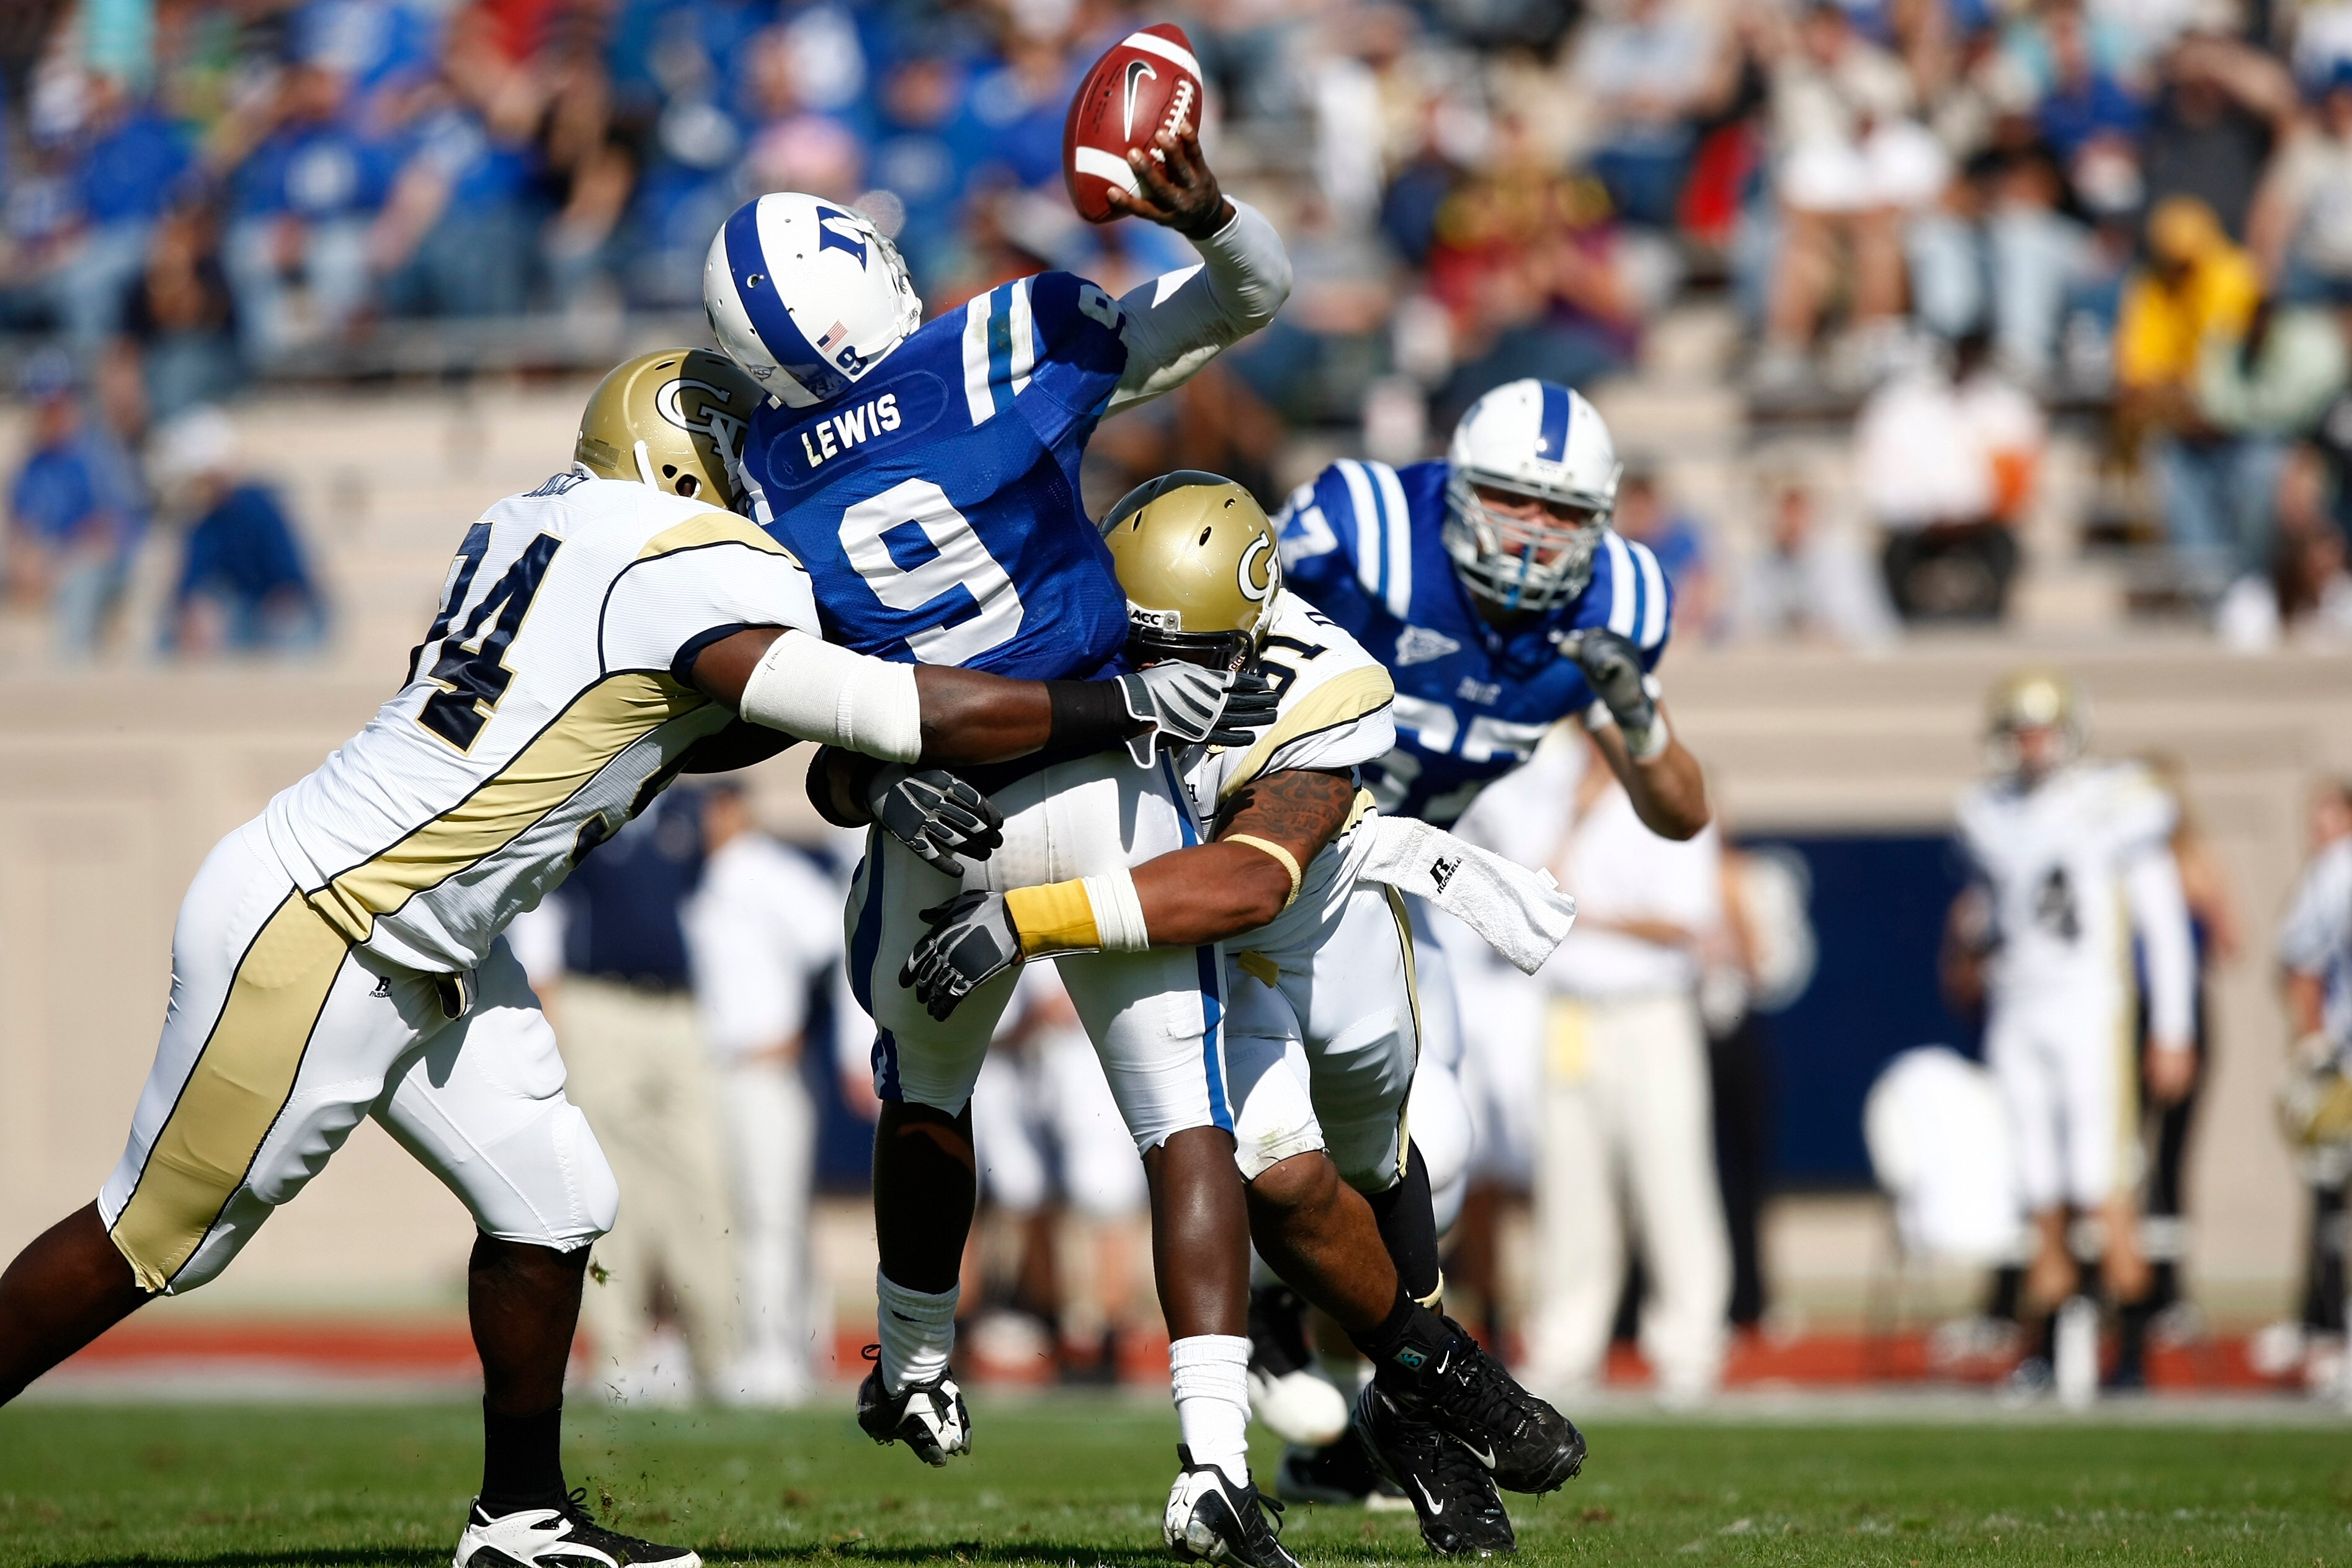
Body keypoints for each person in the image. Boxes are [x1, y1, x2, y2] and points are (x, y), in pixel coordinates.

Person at [0, 347, 1265, 1568]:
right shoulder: (671, 558)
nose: (750, 487)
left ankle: (520, 1517)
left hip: (427, 930)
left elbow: (699, 728)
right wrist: (1124, 703)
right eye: (729, 454)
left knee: (551, 1203)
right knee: (156, 1239)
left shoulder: (531, 523)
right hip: (334, 922)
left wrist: (878, 766)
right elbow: (898, 708)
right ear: (681, 458)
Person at [704, 118, 1299, 1564]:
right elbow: (1247, 298)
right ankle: (1210, 1458)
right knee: (1182, 1123)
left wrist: (864, 777)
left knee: (925, 1090)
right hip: (1098, 763)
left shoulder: (761, 480)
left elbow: (778, 703)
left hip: (937, 812)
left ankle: (912, 1360)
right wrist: (1210, 216)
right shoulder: (989, 349)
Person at [899, 474, 1588, 1558]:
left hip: (1323, 927)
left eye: (1191, 652)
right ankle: (1446, 1381)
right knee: (1276, 1173)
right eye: (1141, 646)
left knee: (1400, 1152)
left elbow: (1252, 879)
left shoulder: (1328, 679)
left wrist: (1026, 920)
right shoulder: (1076, 631)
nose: (1159, 675)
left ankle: (1414, 1401)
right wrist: (889, 776)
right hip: (1201, 945)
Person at [1266, 375, 1710, 1480]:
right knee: (1268, 1138)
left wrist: (1638, 711)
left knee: (1440, 1161)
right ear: (1460, 488)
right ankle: (1253, 1341)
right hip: (1265, 862)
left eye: (1563, 513)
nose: (1535, 534)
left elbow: (1681, 812)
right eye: (1515, 501)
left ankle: (1344, 1403)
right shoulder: (1363, 527)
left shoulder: (1614, 606)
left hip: (1400, 884)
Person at [1943, 670, 2196, 1401]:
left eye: (2041, 727)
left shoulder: (2116, 803)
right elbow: (1995, 914)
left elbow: (2165, 925)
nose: (2030, 744)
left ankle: (2134, 1352)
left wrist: (2173, 1027)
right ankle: (2053, 1344)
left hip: (2092, 1008)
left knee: (2100, 1182)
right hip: (2019, 1009)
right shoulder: (1989, 811)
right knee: (2038, 1188)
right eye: (2019, 729)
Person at [1486, 729, 1729, 1403]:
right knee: (1569, 1185)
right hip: (1571, 1013)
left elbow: (1689, 917)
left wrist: (1590, 920)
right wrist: (1577, 814)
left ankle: (1690, 1345)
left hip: (1650, 1009)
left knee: (1670, 1175)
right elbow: (1525, 902)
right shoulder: (1559, 796)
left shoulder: (1672, 801)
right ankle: (1566, 1346)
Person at [526, 790, 737, 1407]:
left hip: (678, 1009)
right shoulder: (589, 803)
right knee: (608, 1183)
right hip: (601, 1004)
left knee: (703, 1179)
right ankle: (619, 1356)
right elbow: (546, 904)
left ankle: (718, 1354)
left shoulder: (685, 812)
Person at [684, 780, 850, 1405]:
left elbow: (832, 940)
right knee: (749, 1212)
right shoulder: (716, 873)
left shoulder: (766, 869)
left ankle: (779, 1352)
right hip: (724, 1063)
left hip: (766, 1065)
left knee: (771, 1214)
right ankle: (774, 1346)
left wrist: (799, 1028)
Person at [2274, 778, 2352, 1392]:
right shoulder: (2335, 870)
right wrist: (2315, 1042)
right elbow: (2300, 960)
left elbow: (2299, 961)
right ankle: (2329, 1327)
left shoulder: (2336, 868)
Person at [150, 406, 327, 657]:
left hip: (280, 612)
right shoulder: (201, 522)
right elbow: (189, 587)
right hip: (243, 617)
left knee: (289, 631)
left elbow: (288, 584)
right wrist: (194, 611)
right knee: (170, 637)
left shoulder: (258, 506)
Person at [5, 350, 145, 662]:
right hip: (51, 562)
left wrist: (59, 562)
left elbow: (113, 531)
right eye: (42, 406)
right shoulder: (32, 465)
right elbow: (21, 528)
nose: (49, 414)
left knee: (79, 582)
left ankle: (72, 682)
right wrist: (26, 559)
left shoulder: (100, 454)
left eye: (56, 404)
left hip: (105, 565)